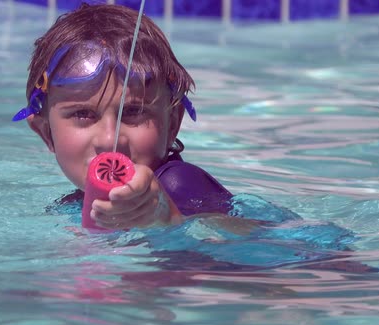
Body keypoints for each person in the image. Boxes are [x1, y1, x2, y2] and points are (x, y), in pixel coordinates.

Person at [13, 3, 233, 231]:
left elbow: (245, 246)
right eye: (83, 114)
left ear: (173, 124)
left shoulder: (179, 184)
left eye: (133, 112)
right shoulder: (72, 204)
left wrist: (168, 220)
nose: (110, 139)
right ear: (46, 133)